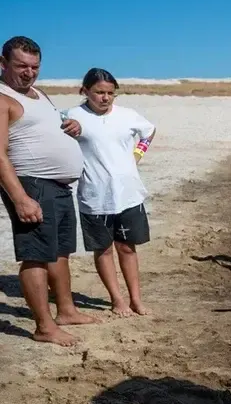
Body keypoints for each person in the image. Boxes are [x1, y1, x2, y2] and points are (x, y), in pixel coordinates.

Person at [0, 36, 97, 346]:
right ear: (3, 64)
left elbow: (47, 125)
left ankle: (66, 311)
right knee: (36, 256)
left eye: (35, 67)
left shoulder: (38, 94)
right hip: (32, 183)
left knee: (59, 252)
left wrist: (72, 127)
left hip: (58, 186)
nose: (29, 73)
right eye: (21, 66)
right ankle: (44, 327)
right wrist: (20, 198)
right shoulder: (2, 98)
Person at [62, 68, 156, 317]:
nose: (105, 98)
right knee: (103, 249)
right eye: (99, 92)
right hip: (94, 196)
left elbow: (149, 131)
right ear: (85, 91)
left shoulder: (128, 115)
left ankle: (136, 299)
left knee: (127, 248)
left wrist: (138, 154)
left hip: (128, 194)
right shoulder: (72, 116)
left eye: (110, 93)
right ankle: (117, 300)